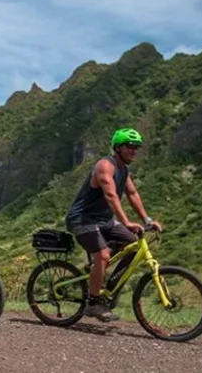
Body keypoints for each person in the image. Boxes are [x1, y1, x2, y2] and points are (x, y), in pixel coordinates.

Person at [64, 127, 163, 322]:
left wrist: (147, 220)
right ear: (118, 148)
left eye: (136, 147)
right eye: (130, 147)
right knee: (103, 255)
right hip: (82, 219)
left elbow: (132, 194)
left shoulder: (123, 170)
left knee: (134, 245)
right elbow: (110, 195)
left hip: (105, 221)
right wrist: (126, 222)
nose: (134, 151)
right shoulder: (105, 166)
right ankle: (93, 303)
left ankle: (109, 289)